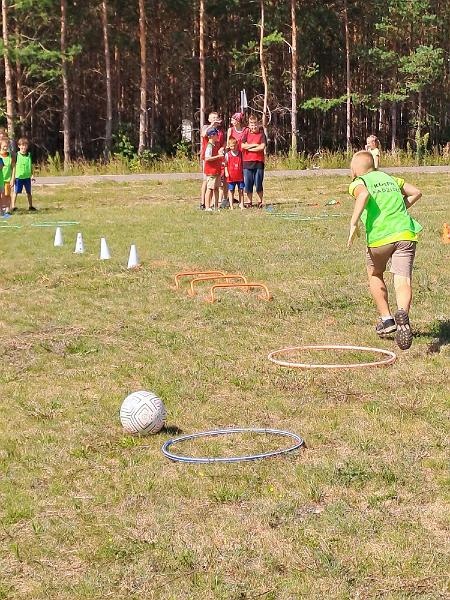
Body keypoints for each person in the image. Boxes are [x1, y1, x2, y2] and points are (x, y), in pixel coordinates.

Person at [347, 151, 422, 350]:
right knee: (402, 278)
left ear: (355, 169)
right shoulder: (390, 178)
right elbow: (416, 192)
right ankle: (402, 313)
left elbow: (363, 195)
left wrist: (354, 223)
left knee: (375, 273)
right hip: (405, 233)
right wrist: (401, 209)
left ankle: (387, 319)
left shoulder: (359, 182)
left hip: (380, 237)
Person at [199, 111, 225, 210]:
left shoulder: (220, 130)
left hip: (217, 161)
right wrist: (212, 125)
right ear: (209, 119)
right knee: (207, 182)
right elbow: (203, 134)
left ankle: (215, 204)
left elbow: (222, 142)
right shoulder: (207, 127)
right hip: (208, 160)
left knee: (216, 185)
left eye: (216, 117)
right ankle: (204, 204)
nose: (215, 119)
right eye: (212, 118)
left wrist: (222, 148)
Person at [241, 115, 266, 208]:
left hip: (259, 162)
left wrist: (250, 147)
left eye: (255, 124)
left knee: (258, 182)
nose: (254, 126)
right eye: (251, 124)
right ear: (249, 125)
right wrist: (255, 145)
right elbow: (243, 146)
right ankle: (249, 202)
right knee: (248, 183)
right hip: (247, 162)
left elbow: (262, 147)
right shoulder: (246, 134)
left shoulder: (261, 134)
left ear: (258, 124)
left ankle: (260, 201)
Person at [10, 137, 36, 211]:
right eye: (22, 145)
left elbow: (30, 166)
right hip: (18, 178)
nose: (23, 147)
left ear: (27, 146)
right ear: (19, 146)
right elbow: (14, 167)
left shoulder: (29, 155)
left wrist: (32, 175)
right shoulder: (16, 155)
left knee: (29, 192)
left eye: (25, 145)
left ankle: (31, 206)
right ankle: (13, 206)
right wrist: (13, 178)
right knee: (16, 192)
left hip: (27, 177)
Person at [203, 127, 224, 211]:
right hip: (211, 171)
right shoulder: (209, 146)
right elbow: (207, 158)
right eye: (216, 134)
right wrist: (218, 156)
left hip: (217, 170)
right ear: (211, 136)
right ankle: (207, 207)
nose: (217, 136)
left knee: (216, 188)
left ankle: (215, 206)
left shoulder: (216, 144)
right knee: (209, 189)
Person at [224, 137, 245, 210]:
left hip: (240, 176)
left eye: (234, 145)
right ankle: (231, 205)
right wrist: (226, 172)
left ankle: (241, 204)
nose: (233, 147)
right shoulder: (227, 154)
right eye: (231, 146)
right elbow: (225, 165)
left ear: (237, 145)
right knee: (231, 190)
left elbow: (243, 164)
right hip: (231, 176)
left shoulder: (241, 154)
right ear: (229, 146)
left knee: (241, 190)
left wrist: (243, 172)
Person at [1, 138, 15, 213]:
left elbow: (13, 167)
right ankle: (1, 209)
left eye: (7, 146)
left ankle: (7, 208)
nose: (5, 148)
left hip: (7, 179)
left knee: (7, 195)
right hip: (1, 179)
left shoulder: (10, 156)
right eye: (4, 146)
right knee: (1, 195)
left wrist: (13, 179)